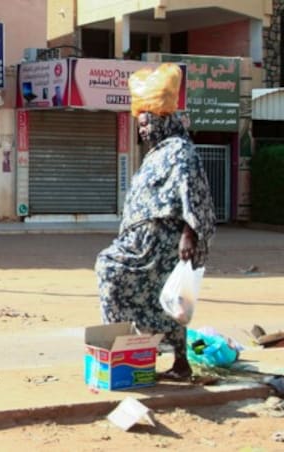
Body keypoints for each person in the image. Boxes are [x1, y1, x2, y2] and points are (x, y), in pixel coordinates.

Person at [95, 63, 216, 382]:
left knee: (111, 270)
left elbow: (195, 193)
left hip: (164, 244)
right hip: (142, 242)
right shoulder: (157, 153)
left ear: (163, 120)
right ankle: (146, 356)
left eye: (146, 123)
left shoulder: (180, 151)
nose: (142, 130)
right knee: (154, 296)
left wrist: (190, 234)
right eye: (140, 124)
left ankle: (147, 355)